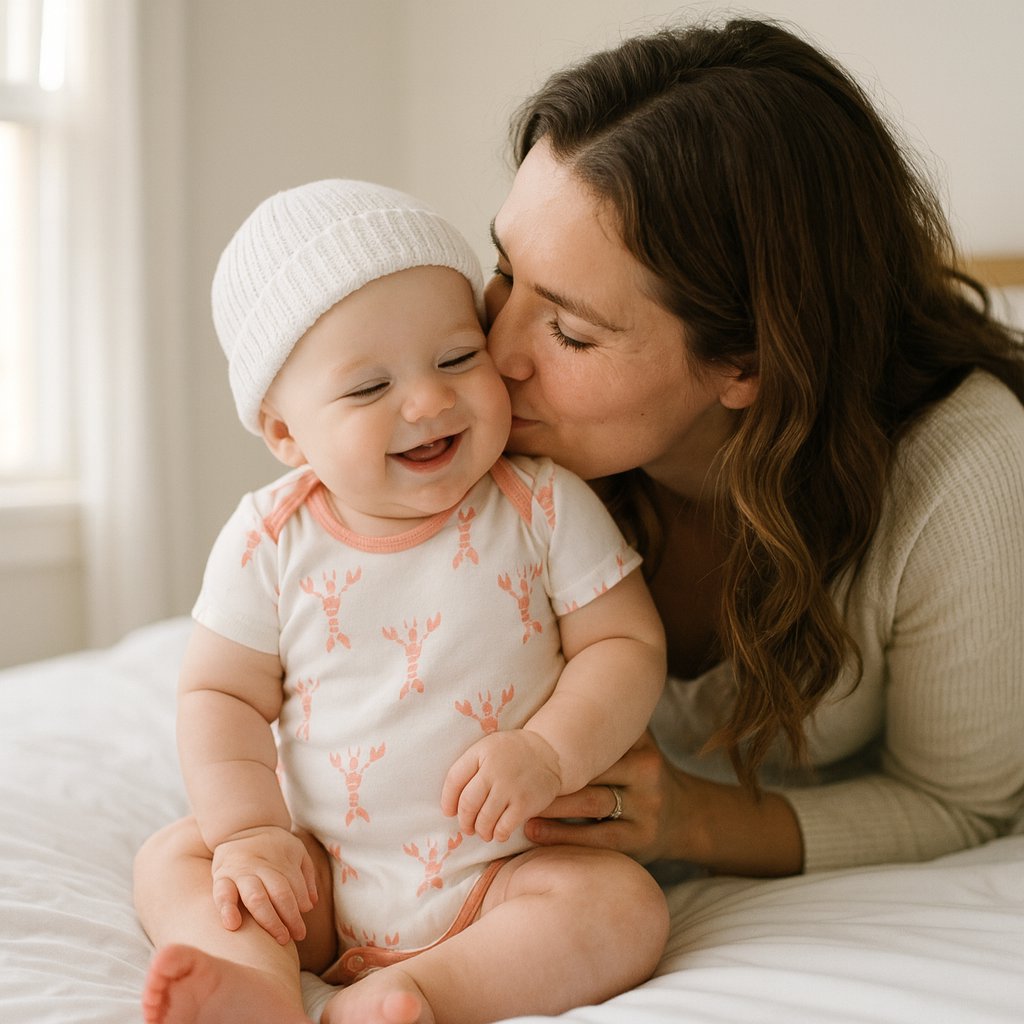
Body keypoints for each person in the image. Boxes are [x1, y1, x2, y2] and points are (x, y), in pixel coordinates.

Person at [483, 16, 1024, 879]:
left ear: (748, 360)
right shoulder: (483, 419)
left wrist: (689, 821)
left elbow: (958, 803)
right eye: (504, 270)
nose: (494, 353)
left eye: (570, 332)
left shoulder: (968, 475)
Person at [133, 179, 669, 1024]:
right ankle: (259, 986)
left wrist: (550, 751)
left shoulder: (541, 503)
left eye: (458, 359)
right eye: (367, 388)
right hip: (322, 872)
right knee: (177, 858)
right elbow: (222, 694)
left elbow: (625, 645)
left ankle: (415, 994)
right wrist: (250, 833)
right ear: (283, 433)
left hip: (507, 866)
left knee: (623, 907)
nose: (427, 401)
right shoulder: (270, 538)